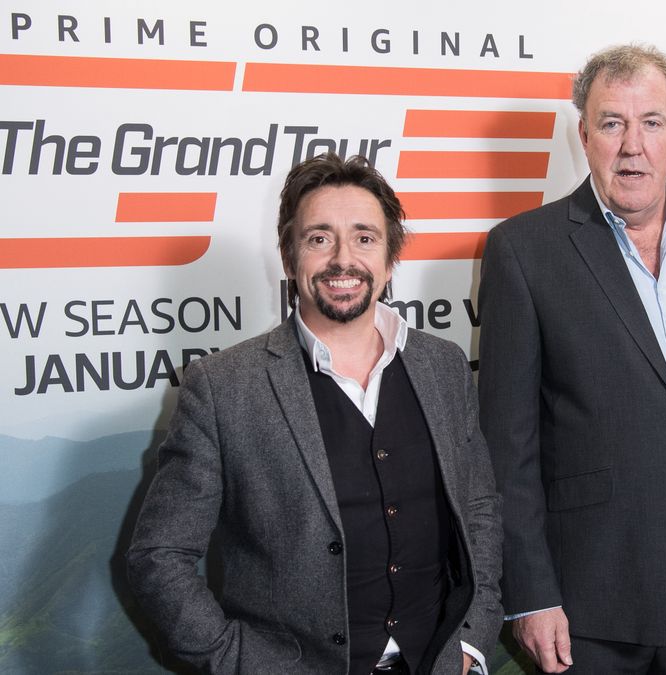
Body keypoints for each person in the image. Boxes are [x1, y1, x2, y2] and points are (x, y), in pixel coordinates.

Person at [126, 153, 502, 675]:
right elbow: (158, 554)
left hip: (438, 662)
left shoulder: (443, 366)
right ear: (288, 256)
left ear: (391, 258)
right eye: (319, 238)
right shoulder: (222, 387)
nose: (343, 260)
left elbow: (479, 506)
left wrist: (473, 639)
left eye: (365, 238)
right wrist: (238, 661)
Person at [477, 44, 666, 674]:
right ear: (584, 134)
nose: (632, 145)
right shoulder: (523, 251)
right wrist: (531, 595)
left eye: (650, 123)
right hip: (591, 610)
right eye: (612, 123)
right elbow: (509, 446)